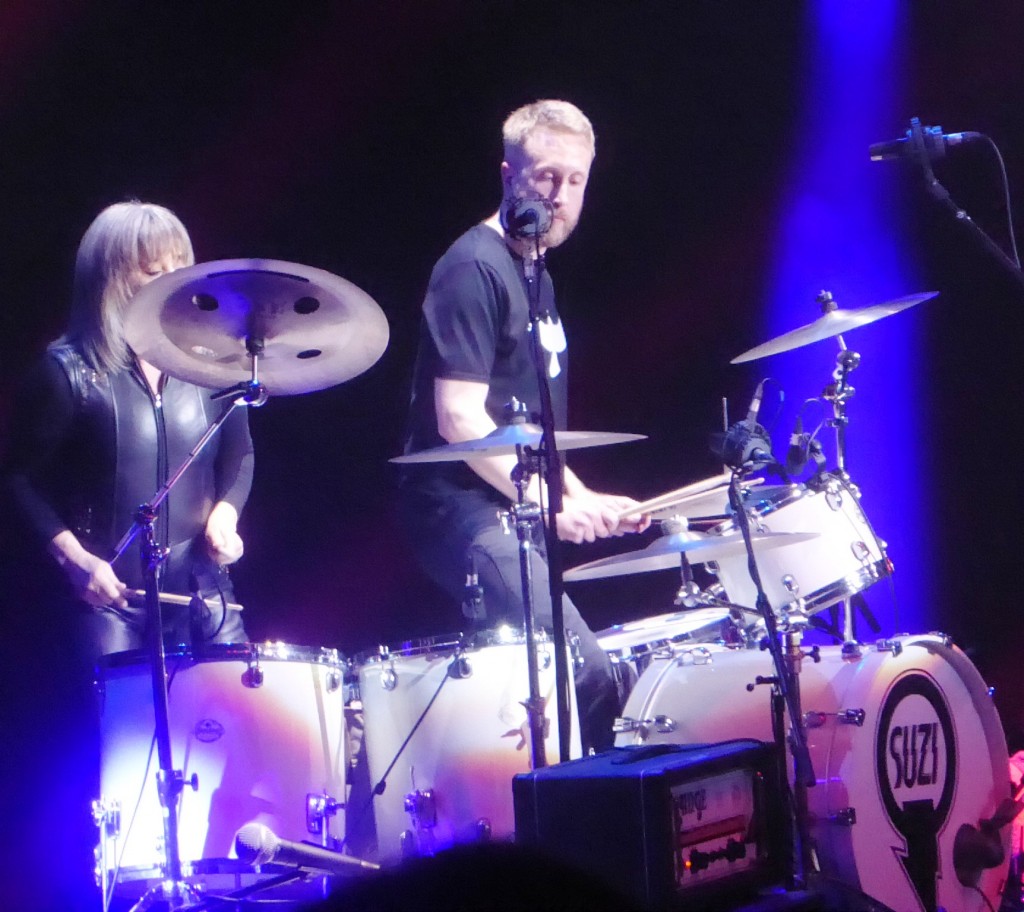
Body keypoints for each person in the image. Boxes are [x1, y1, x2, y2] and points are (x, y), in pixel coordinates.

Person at [0, 200, 253, 907]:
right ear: (111, 278)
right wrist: (73, 559)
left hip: (199, 592)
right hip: (108, 601)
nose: (170, 278)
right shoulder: (68, 371)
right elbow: (16, 479)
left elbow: (239, 456)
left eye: (178, 264)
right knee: (122, 763)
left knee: (239, 730)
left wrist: (227, 514)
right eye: (151, 268)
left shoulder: (208, 363)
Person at [398, 100, 649, 754]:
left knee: (562, 690)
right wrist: (547, 502)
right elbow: (459, 417)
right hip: (459, 510)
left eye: (575, 180)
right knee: (586, 673)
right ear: (509, 175)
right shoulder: (473, 268)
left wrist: (583, 496)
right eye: (546, 177)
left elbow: (527, 430)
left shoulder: (536, 275)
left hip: (508, 503)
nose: (560, 195)